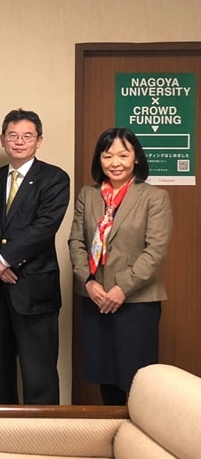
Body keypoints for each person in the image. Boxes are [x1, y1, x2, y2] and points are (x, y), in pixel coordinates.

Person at [68, 127, 172, 405]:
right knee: (105, 372)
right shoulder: (88, 195)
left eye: (123, 155)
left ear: (136, 158)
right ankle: (115, 435)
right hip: (96, 297)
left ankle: (138, 438)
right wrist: (89, 282)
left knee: (137, 376)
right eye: (108, 155)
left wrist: (121, 288)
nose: (115, 162)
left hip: (136, 300)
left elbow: (155, 251)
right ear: (99, 159)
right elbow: (76, 241)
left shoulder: (154, 197)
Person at [0, 109, 69, 405]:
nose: (19, 141)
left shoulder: (55, 178)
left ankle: (43, 441)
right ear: (3, 139)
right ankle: (4, 438)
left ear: (39, 141)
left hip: (34, 289)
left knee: (39, 373)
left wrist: (5, 259)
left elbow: (44, 227)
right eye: (13, 135)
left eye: (27, 136)